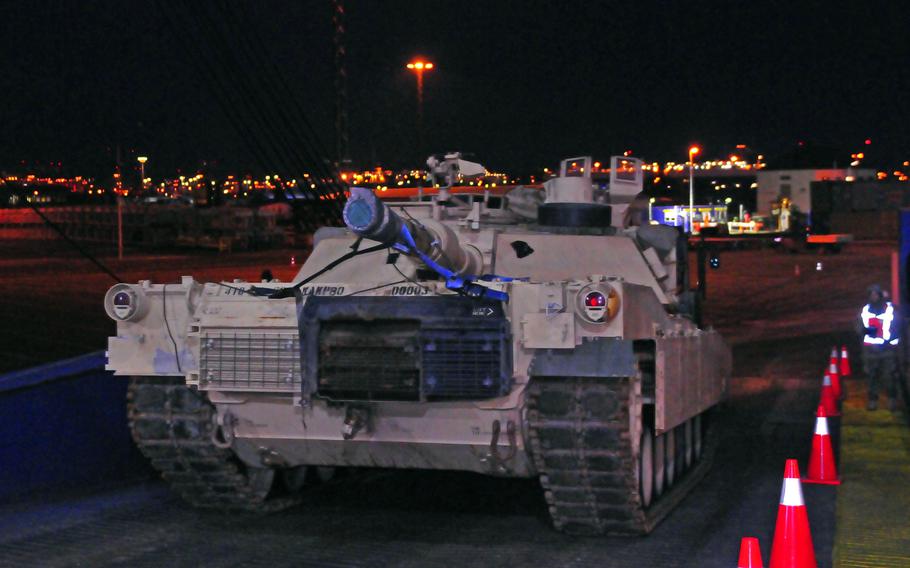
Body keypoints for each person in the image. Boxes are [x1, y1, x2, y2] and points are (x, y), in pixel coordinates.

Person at [859, 284, 900, 410]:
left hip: (887, 350)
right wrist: (871, 333)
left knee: (889, 376)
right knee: (871, 376)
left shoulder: (890, 309)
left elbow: (897, 326)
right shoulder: (865, 310)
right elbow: (860, 327)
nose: (874, 296)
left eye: (876, 294)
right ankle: (872, 400)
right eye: (871, 294)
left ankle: (892, 399)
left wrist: (891, 340)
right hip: (871, 350)